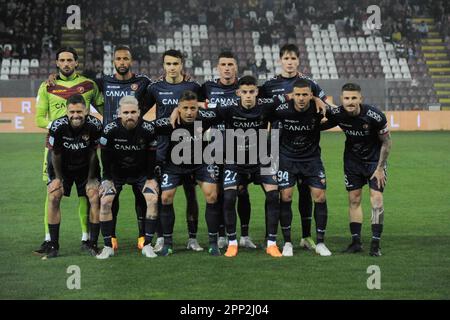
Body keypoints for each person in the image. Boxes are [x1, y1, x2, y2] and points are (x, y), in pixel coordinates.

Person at [45, 45, 154, 251]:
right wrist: (55, 77)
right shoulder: (102, 82)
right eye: (118, 59)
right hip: (110, 146)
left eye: (126, 59)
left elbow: (155, 93)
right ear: (113, 61)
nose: (122, 62)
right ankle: (110, 236)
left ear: (131, 61)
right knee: (111, 192)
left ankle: (142, 236)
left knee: (140, 192)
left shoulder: (143, 82)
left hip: (135, 143)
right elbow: (78, 82)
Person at [197, 75, 283, 258]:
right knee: (228, 197)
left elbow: (290, 97)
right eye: (244, 92)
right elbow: (204, 111)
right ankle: (233, 243)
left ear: (257, 92)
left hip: (261, 160)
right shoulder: (228, 110)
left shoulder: (266, 107)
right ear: (238, 93)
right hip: (235, 162)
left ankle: (272, 243)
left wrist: (316, 98)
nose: (248, 95)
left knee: (274, 195)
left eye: (252, 92)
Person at [259, 43, 331, 251]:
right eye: (286, 59)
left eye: (293, 59)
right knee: (275, 194)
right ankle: (270, 236)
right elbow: (263, 110)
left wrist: (317, 98)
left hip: (305, 146)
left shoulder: (310, 84)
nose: (289, 63)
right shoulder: (270, 84)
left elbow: (324, 106)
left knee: (306, 191)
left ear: (298, 61)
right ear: (280, 60)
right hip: (275, 147)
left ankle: (307, 236)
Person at [33, 47, 104, 256]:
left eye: (69, 60)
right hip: (56, 147)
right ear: (56, 63)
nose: (65, 64)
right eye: (62, 60)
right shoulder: (47, 86)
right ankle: (49, 240)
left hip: (84, 149)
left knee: (88, 195)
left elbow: (102, 110)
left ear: (76, 63)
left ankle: (87, 238)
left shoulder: (89, 85)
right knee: (53, 192)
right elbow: (38, 119)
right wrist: (62, 127)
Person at [96, 96, 170, 259]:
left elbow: (152, 154)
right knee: (105, 201)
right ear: (119, 114)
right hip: (117, 174)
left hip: (141, 173)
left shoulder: (148, 129)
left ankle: (148, 244)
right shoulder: (110, 129)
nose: (129, 116)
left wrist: (150, 178)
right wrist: (107, 178)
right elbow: (105, 156)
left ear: (139, 113)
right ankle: (107, 246)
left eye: (133, 112)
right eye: (126, 112)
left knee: (152, 199)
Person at [324, 83, 392, 256]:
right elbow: (319, 123)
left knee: (376, 200)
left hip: (374, 163)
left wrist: (380, 168)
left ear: (360, 99)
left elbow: (387, 141)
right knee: (354, 200)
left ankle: (376, 244)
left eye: (354, 98)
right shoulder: (338, 114)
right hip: (352, 162)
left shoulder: (374, 116)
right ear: (342, 99)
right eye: (347, 98)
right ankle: (356, 242)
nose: (350, 101)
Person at [146, 49, 203, 252]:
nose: (172, 68)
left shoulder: (193, 86)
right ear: (163, 66)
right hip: (164, 149)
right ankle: (162, 237)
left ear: (182, 65)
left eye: (175, 64)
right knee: (164, 195)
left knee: (191, 195)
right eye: (168, 64)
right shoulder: (155, 88)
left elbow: (204, 107)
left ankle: (193, 238)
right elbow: (141, 111)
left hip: (190, 149)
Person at [198, 51, 256, 250]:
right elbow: (190, 103)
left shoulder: (244, 88)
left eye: (231, 64)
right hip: (214, 147)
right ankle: (221, 235)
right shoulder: (207, 87)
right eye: (223, 64)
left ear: (236, 67)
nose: (227, 68)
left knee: (242, 191)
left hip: (240, 148)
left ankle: (245, 235)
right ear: (218, 67)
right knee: (219, 192)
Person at [274, 79, 332, 257]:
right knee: (286, 196)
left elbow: (337, 114)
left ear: (311, 95)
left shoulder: (318, 110)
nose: (301, 98)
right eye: (297, 94)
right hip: (287, 159)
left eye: (305, 95)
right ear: (292, 95)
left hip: (311, 159)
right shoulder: (281, 110)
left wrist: (323, 103)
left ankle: (320, 242)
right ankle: (288, 243)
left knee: (320, 197)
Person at [160, 91, 221, 256]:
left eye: (193, 108)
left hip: (200, 163)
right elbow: (149, 127)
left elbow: (222, 108)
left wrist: (202, 104)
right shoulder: (169, 122)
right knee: (165, 197)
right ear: (179, 108)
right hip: (174, 165)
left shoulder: (205, 118)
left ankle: (213, 243)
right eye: (185, 108)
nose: (189, 112)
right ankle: (167, 243)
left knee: (212, 195)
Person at [41, 94, 103, 259]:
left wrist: (91, 179)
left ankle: (93, 244)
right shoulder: (57, 126)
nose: (76, 115)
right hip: (62, 167)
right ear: (67, 112)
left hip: (86, 167)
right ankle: (53, 245)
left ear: (87, 111)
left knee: (95, 196)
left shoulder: (95, 125)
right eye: (72, 112)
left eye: (79, 112)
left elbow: (93, 152)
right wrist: (58, 178)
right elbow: (55, 153)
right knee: (54, 196)